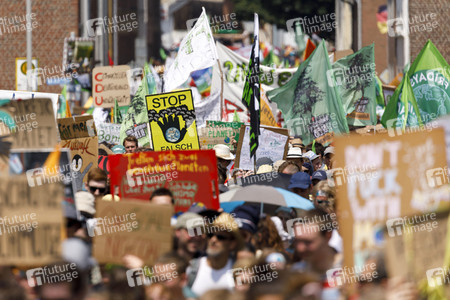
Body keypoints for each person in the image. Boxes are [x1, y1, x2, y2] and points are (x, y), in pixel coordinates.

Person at [186, 212, 243, 297]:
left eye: (220, 237)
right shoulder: (192, 268)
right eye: (210, 235)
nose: (213, 240)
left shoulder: (238, 272)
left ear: (232, 244)